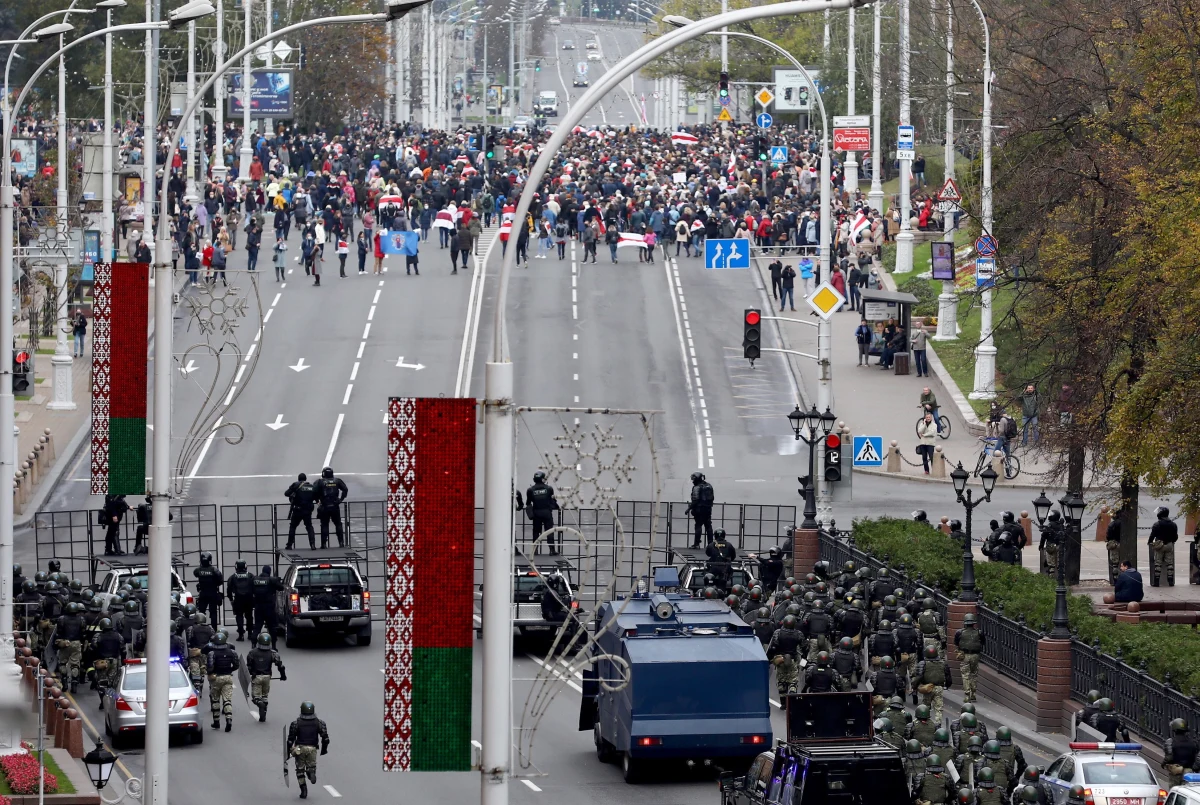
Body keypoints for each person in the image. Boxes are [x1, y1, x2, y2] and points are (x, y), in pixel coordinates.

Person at [287, 701, 330, 800]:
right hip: (312, 748)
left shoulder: (296, 723)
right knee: (312, 766)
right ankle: (311, 772)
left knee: (300, 770)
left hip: (299, 749)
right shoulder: (319, 723)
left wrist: (288, 753)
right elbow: (325, 739)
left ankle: (303, 790)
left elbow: (290, 740)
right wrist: (324, 750)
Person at [246, 632, 287, 722]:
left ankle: (260, 704)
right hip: (267, 677)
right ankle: (263, 714)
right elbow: (280, 665)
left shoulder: (252, 652)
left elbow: (248, 666)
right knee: (265, 696)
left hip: (256, 677)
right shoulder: (273, 653)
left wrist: (250, 674)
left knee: (256, 697)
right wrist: (283, 676)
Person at [206, 631, 240, 732]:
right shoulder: (232, 652)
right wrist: (229, 670)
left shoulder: (212, 653)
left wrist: (210, 673)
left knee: (215, 699)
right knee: (227, 700)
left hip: (216, 678)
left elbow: (210, 667)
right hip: (228, 677)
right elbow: (236, 665)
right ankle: (228, 719)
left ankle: (216, 722)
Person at [766, 614, 803, 695]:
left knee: (781, 682)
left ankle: (783, 704)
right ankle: (792, 696)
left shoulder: (778, 632)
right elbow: (804, 647)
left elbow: (773, 647)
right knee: (793, 681)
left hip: (780, 660)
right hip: (793, 660)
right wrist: (804, 661)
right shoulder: (798, 634)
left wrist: (769, 658)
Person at [915, 644, 953, 724]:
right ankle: (938, 723)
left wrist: (915, 686)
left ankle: (923, 722)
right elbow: (948, 676)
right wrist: (947, 685)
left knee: (925, 706)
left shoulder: (923, 663)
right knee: (938, 708)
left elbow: (919, 676)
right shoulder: (943, 663)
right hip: (939, 688)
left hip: (928, 687)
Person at [524, 471, 560, 554]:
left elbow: (528, 503)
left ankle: (535, 550)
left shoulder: (530, 490)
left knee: (536, 532)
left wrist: (530, 513)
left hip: (536, 512)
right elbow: (552, 501)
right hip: (547, 512)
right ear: (543, 479)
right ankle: (552, 550)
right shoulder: (549, 489)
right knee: (549, 531)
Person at [313, 467, 348, 548]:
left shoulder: (320, 482)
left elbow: (314, 491)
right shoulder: (337, 481)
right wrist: (341, 499)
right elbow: (345, 489)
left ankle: (324, 544)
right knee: (338, 524)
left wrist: (317, 501)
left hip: (324, 506)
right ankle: (341, 543)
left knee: (324, 525)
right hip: (335, 506)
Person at [954, 613, 985, 704]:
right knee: (974, 674)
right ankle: (973, 694)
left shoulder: (959, 632)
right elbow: (983, 642)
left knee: (965, 675)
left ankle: (967, 694)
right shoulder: (979, 632)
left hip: (965, 655)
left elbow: (956, 643)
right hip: (975, 655)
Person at [251, 565, 285, 647]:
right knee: (272, 627)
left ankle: (253, 644)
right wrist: (277, 580)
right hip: (269, 607)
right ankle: (273, 645)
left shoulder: (254, 580)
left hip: (258, 607)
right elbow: (281, 588)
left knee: (257, 627)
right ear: (269, 572)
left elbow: (250, 590)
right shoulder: (271, 580)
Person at [1163, 718, 1199, 788]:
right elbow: (1197, 756)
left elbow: (1169, 758)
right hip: (1189, 773)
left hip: (1176, 771)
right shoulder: (1193, 743)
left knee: (1174, 791)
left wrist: (1163, 764)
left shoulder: (1170, 742)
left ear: (1174, 730)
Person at [285, 473, 318, 549]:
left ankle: (289, 545)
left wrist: (293, 495)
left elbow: (286, 493)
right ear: (305, 479)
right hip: (308, 510)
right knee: (309, 527)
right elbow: (316, 497)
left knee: (293, 527)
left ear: (298, 479)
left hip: (297, 510)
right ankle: (312, 544)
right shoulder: (311, 487)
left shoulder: (296, 485)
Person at [226, 559, 256, 641]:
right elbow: (255, 587)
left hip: (238, 599)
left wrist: (231, 599)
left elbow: (229, 589)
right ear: (245, 566)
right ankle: (250, 633)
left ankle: (241, 634)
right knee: (249, 616)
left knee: (239, 616)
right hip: (249, 599)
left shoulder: (233, 577)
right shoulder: (250, 576)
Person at [1149, 506, 1178, 587]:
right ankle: (1170, 581)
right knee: (1170, 563)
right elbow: (1175, 537)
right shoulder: (1173, 524)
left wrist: (1149, 542)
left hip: (1159, 545)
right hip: (1169, 545)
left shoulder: (1157, 524)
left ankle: (1156, 581)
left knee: (1158, 563)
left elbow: (1152, 535)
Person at [193, 551, 224, 625]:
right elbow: (220, 581)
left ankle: (200, 627)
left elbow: (195, 574)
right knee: (213, 612)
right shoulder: (214, 570)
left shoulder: (198, 570)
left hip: (203, 593)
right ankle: (213, 629)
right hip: (213, 593)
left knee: (201, 612)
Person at [687, 471, 715, 548]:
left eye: (693, 480)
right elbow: (712, 498)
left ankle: (696, 544)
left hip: (699, 510)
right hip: (708, 509)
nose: (693, 481)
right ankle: (710, 544)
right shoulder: (709, 486)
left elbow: (695, 500)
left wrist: (689, 508)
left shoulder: (697, 487)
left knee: (698, 526)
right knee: (708, 526)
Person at [1038, 511, 1064, 577]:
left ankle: (1051, 576)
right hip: (1060, 546)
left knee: (1051, 563)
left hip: (1051, 546)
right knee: (1059, 563)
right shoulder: (1062, 526)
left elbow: (1043, 536)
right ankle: (1061, 578)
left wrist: (1041, 545)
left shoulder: (1049, 525)